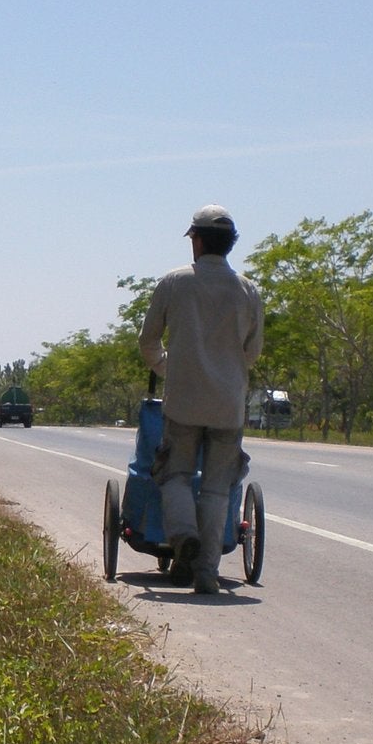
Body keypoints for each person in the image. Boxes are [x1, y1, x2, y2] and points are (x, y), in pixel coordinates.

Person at [137, 203, 264, 593]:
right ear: (229, 244)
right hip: (228, 405)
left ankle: (183, 536)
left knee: (174, 474)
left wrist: (167, 368)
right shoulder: (248, 290)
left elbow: (148, 341)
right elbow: (253, 351)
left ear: (197, 240)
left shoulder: (174, 282)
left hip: (184, 401)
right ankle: (206, 573)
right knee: (216, 489)